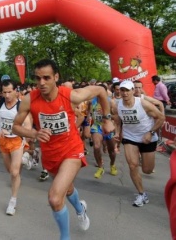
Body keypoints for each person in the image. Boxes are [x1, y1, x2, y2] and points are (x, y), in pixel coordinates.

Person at [12, 59, 115, 239]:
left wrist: (106, 119)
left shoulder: (70, 95)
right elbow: (15, 127)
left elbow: (100, 90)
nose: (41, 83)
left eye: (46, 78)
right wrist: (34, 133)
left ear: (56, 77)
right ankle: (80, 209)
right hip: (50, 154)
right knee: (66, 190)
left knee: (54, 198)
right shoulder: (30, 99)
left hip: (71, 150)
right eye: (38, 79)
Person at [112, 80, 165, 207]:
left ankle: (143, 158)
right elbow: (118, 121)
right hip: (130, 138)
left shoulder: (143, 103)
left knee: (147, 170)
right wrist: (117, 133)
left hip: (147, 137)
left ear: (132, 91)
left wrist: (151, 132)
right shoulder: (117, 105)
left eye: (127, 90)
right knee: (132, 165)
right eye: (122, 90)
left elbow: (161, 118)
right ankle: (142, 194)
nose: (124, 93)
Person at [0, 79, 24, 216]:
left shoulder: (21, 106)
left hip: (17, 140)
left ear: (15, 91)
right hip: (3, 141)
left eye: (9, 92)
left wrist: (12, 131)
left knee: (14, 172)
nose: (7, 95)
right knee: (11, 171)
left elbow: (28, 127)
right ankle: (23, 161)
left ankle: (13, 201)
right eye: (4, 92)